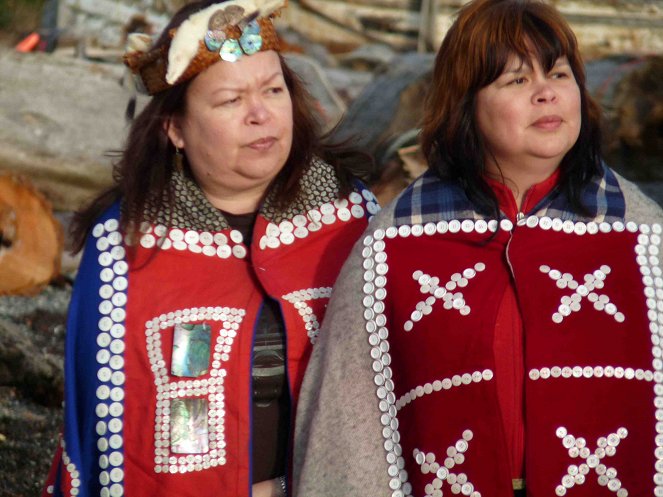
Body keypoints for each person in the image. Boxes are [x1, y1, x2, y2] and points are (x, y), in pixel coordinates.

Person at [293, 0, 663, 496]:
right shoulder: (394, 246)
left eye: (558, 74)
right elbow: (347, 429)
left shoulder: (640, 236)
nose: (546, 94)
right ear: (465, 103)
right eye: (516, 81)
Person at [41, 1, 378, 496]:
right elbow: (107, 433)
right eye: (230, 101)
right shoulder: (127, 251)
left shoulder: (348, 220)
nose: (261, 114)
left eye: (273, 90)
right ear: (174, 128)